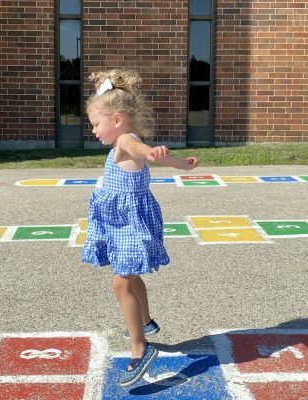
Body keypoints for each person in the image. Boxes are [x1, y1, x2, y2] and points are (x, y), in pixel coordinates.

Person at [81, 69, 199, 388]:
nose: (93, 131)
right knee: (131, 278)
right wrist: (183, 165)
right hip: (124, 222)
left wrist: (151, 153)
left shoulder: (125, 140)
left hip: (131, 222)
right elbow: (159, 158)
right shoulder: (125, 141)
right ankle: (144, 322)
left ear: (117, 119)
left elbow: (140, 151)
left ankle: (140, 349)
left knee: (121, 284)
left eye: (96, 123)